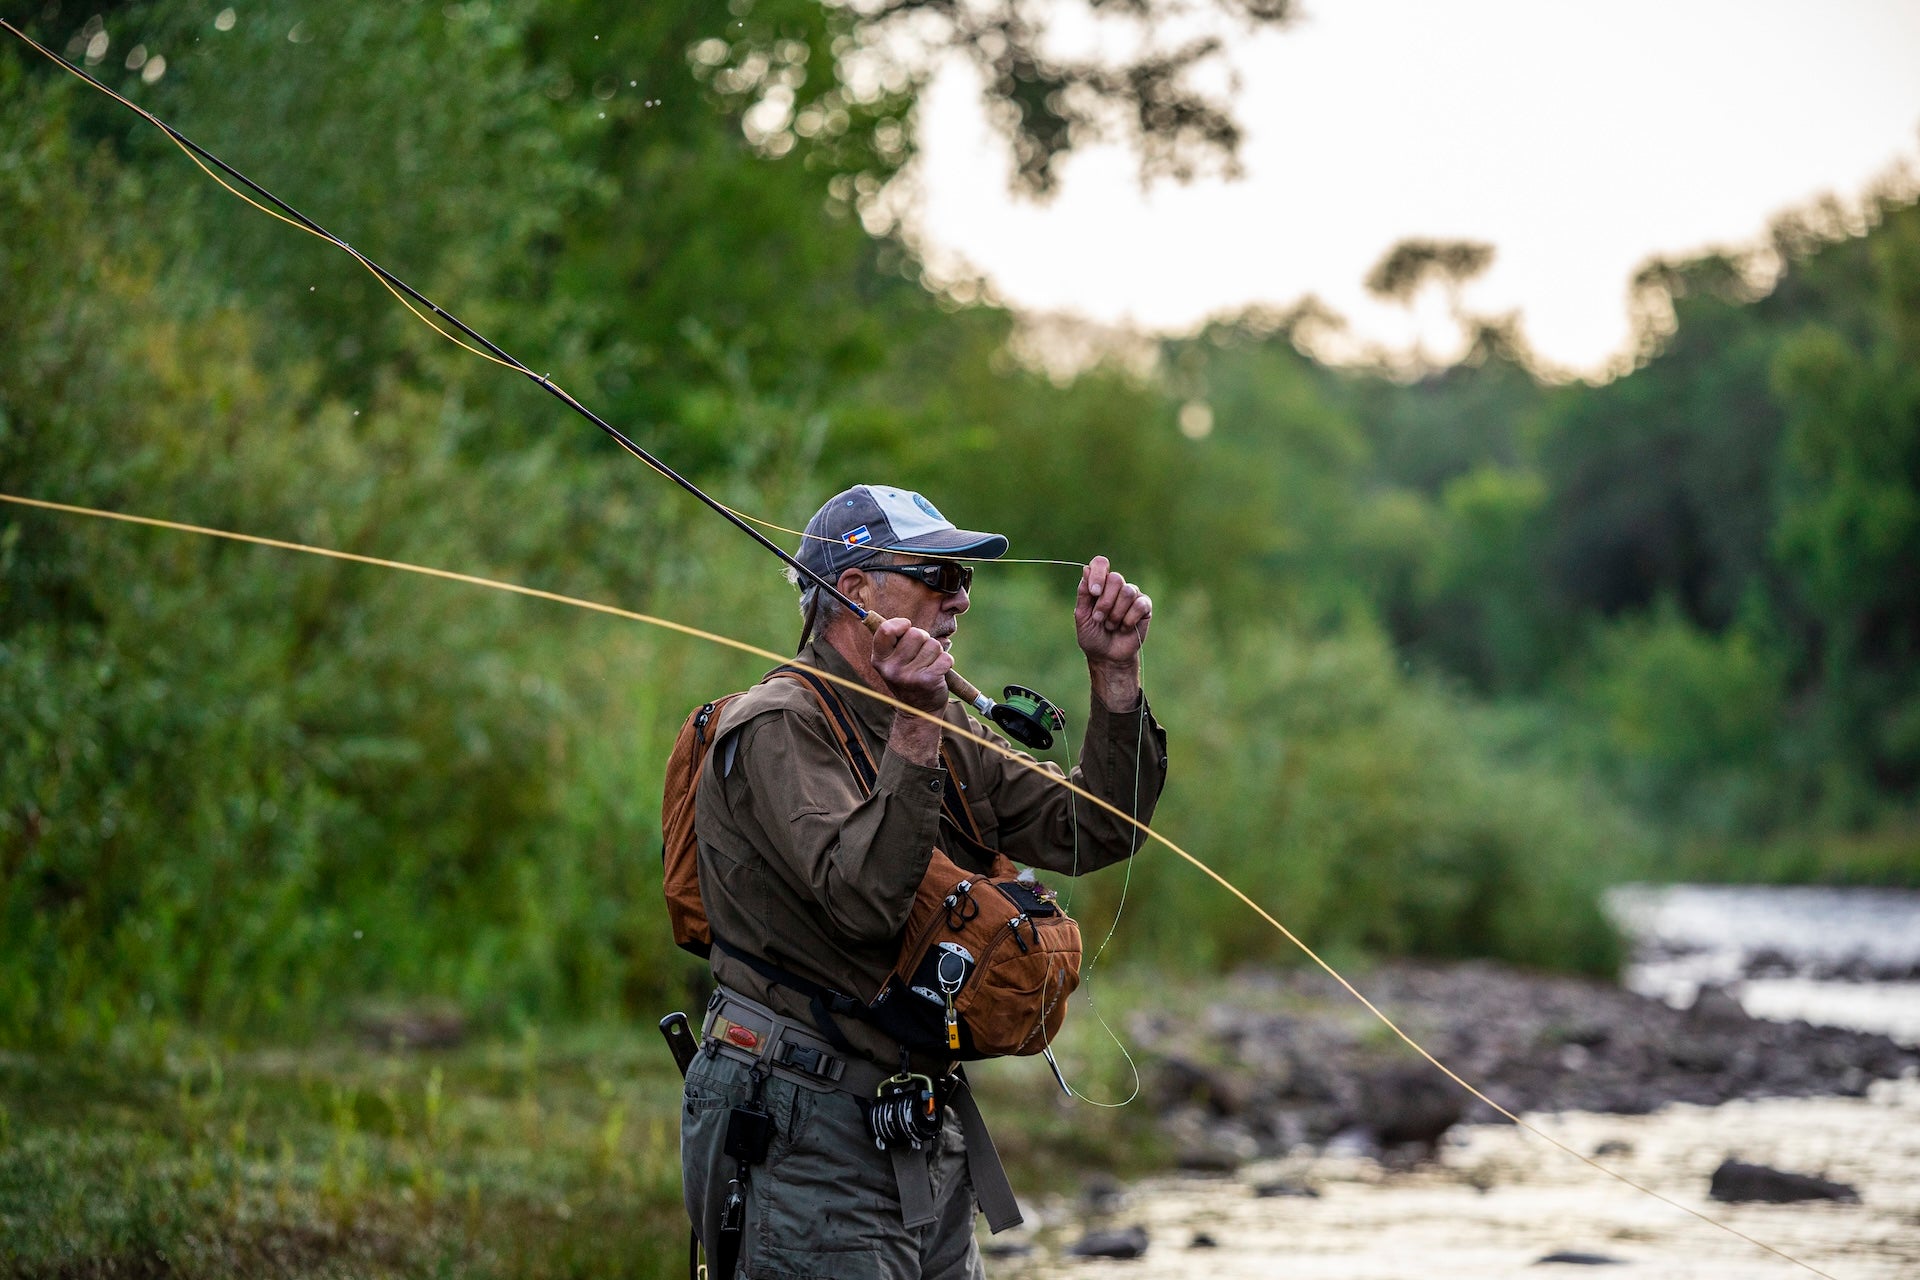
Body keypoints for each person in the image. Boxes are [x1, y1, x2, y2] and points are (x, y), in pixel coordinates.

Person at [682, 483, 1167, 1280]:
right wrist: (915, 724)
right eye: (938, 574)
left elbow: (1095, 826)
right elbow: (864, 901)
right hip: (797, 1124)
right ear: (857, 588)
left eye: (965, 579)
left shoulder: (941, 724)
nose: (960, 598)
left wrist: (1116, 680)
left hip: (914, 1122)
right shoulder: (776, 726)